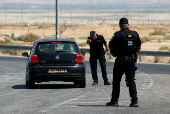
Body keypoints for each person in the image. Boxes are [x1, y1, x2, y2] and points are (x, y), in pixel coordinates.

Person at [106, 18, 141, 107]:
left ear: (120, 25)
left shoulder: (117, 35)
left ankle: (114, 101)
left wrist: (115, 54)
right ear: (128, 24)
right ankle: (134, 101)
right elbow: (139, 46)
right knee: (131, 81)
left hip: (120, 61)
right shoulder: (135, 34)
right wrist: (135, 54)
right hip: (131, 61)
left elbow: (110, 46)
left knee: (116, 81)